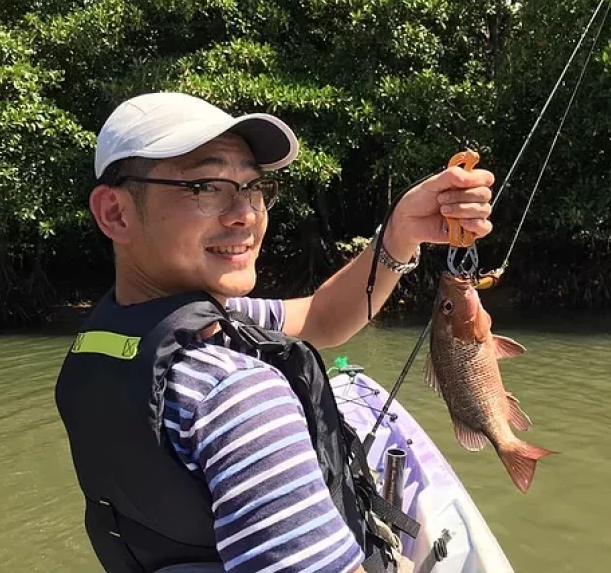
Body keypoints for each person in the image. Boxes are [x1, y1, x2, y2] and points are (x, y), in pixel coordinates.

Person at [55, 91, 494, 573]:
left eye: (252, 186)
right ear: (115, 213)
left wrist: (401, 232)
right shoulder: (235, 395)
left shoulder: (114, 340)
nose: (245, 213)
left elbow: (322, 318)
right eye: (206, 186)